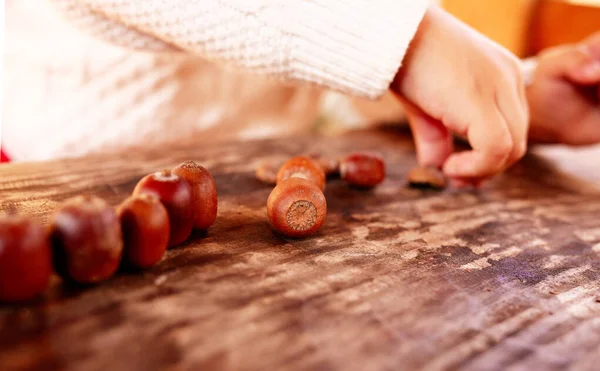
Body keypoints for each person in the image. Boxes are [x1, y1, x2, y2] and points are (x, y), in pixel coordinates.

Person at [2, 1, 598, 186]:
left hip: (247, 193)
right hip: (49, 176)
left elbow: (313, 73)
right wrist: (400, 38)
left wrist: (505, 96)